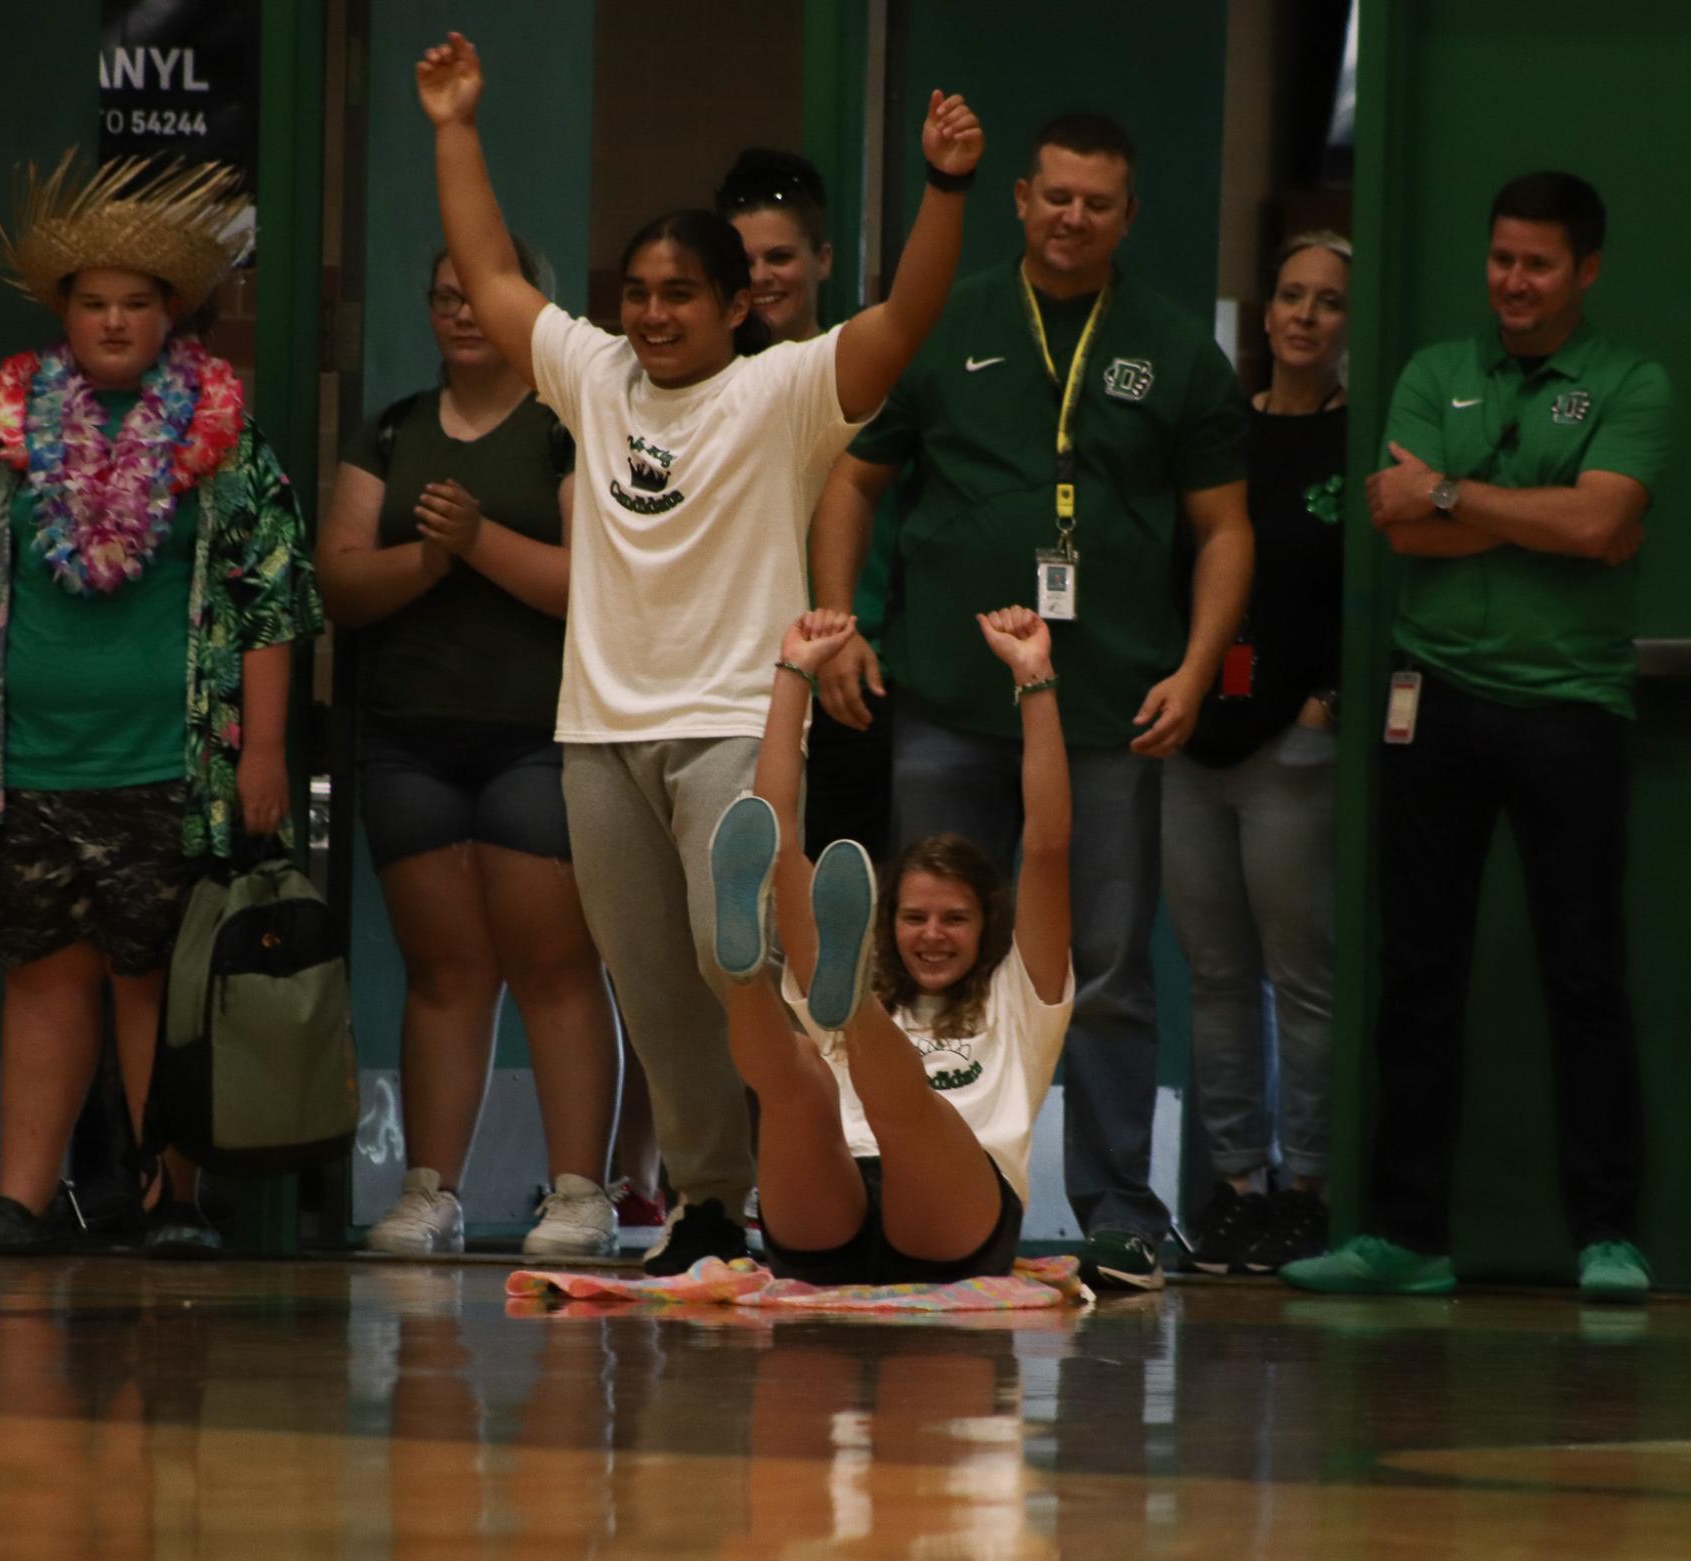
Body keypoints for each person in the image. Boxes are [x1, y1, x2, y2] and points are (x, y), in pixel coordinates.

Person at [416, 32, 984, 1272]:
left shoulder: (784, 392)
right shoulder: (594, 375)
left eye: (682, 294)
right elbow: (494, 278)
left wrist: (945, 190)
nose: (654, 314)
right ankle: (711, 1205)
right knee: (654, 989)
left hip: (734, 723)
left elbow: (906, 317)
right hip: (598, 739)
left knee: (748, 973)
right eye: (639, 292)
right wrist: (456, 126)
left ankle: (807, 1197)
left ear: (738, 303)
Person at [808, 112, 1253, 1290]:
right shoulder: (946, 324)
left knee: (1101, 964)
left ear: (1129, 215)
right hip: (949, 700)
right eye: (1055, 196)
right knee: (926, 952)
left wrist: (1199, 664)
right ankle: (906, 1183)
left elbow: (1224, 528)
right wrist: (838, 621)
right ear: (1020, 197)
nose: (1072, 218)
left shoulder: (1175, 349)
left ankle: (1117, 1205)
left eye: (1096, 203)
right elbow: (851, 485)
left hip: (1107, 702)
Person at [0, 154, 323, 1258]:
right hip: (27, 759)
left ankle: (165, 1198)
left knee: (157, 980)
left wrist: (265, 751)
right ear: (64, 313)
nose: (115, 320)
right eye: (94, 302)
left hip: (173, 764)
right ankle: (20, 1196)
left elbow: (274, 600)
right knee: (43, 976)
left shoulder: (225, 445)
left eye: (137, 303)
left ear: (172, 315)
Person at [1285, 172, 1671, 1304]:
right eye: (1502, 258)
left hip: (1573, 705)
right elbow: (1399, 521)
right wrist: (1531, 516)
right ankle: (1406, 1236)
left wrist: (1457, 498)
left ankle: (1608, 1235)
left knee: (1584, 974)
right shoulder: (1433, 373)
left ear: (1585, 270)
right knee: (1416, 972)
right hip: (1435, 697)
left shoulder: (1631, 381)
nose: (1514, 281)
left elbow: (1605, 518)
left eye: (1538, 263)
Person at [317, 241, 622, 1258]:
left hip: (538, 734)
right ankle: (428, 1192)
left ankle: (581, 1194)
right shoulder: (394, 427)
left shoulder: (567, 426)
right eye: (442, 295)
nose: (459, 312)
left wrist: (480, 543)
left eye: (476, 297)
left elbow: (594, 584)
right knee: (445, 972)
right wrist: (433, 557)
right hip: (409, 738)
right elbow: (343, 584)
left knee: (555, 965)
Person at [708, 605, 1072, 1284]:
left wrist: (1035, 678)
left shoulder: (1021, 993)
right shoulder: (863, 969)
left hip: (956, 1211)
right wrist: (792, 674)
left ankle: (803, 996)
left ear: (985, 926)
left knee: (898, 1107)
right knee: (797, 1082)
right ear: (886, 924)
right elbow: (777, 838)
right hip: (830, 1193)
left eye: (954, 919)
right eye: (912, 918)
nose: (932, 934)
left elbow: (1046, 847)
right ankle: (742, 969)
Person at [1167, 232, 1350, 1275]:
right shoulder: (1219, 439)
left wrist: (1324, 705)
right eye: (1290, 295)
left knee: (1301, 975)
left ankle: (1310, 1186)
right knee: (1217, 974)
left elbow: (1364, 595)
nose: (1305, 316)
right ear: (1264, 311)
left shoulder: (1356, 442)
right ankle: (1236, 1185)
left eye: (1328, 303)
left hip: (1295, 743)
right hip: (1196, 741)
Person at [718, 148, 893, 865]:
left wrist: (844, 624)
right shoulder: (704, 383)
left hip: (849, 666)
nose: (761, 276)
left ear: (823, 259)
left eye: (780, 256)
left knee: (840, 893)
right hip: (731, 675)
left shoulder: (862, 371)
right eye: (743, 259)